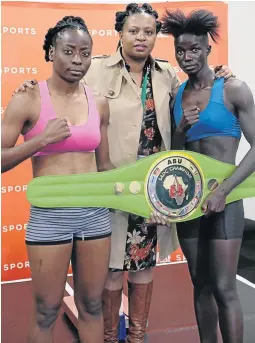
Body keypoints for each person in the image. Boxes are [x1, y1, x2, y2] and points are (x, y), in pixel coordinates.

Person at [13, 4, 234, 342]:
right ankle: (108, 336)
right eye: (134, 31)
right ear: (120, 33)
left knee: (144, 268)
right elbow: (61, 84)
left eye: (148, 32)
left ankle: (136, 335)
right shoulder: (94, 68)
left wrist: (221, 74)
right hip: (111, 187)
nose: (141, 38)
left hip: (151, 191)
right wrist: (28, 87)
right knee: (111, 273)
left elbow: (185, 103)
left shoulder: (166, 75)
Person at [1, 16, 115, 343]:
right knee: (46, 311)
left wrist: (140, 196)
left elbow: (105, 167)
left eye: (85, 53)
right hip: (50, 218)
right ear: (52, 52)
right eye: (69, 51)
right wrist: (39, 141)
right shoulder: (28, 98)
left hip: (95, 217)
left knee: (93, 305)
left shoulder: (100, 102)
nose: (78, 60)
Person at [157, 9, 255, 343]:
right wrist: (181, 131)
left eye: (194, 49)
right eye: (180, 51)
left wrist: (224, 191)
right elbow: (174, 155)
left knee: (226, 287)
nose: (187, 57)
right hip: (189, 205)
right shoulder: (177, 97)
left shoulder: (233, 89)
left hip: (225, 202)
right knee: (200, 284)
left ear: (208, 49)